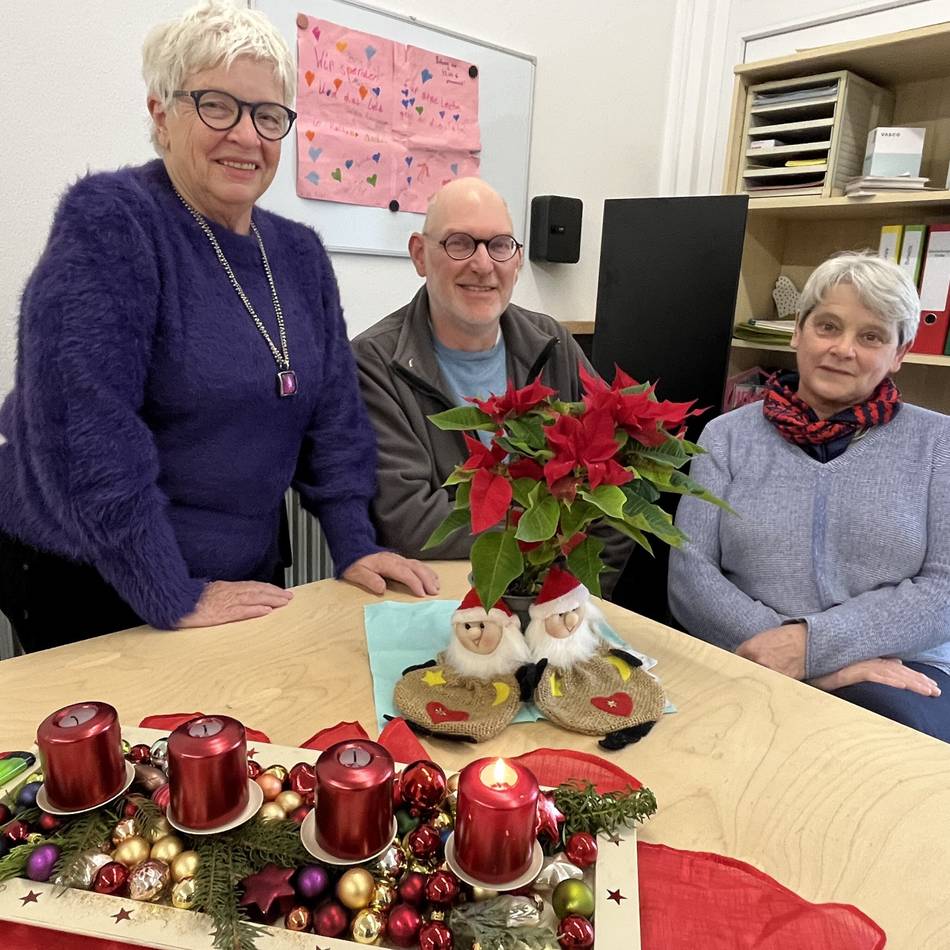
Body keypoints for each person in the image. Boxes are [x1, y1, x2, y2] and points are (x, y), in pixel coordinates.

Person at [0, 1, 437, 654]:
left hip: (240, 568)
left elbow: (334, 418)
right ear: (161, 115)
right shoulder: (112, 223)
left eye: (267, 115)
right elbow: (84, 429)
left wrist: (353, 543)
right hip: (96, 569)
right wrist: (169, 588)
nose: (246, 135)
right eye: (215, 105)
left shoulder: (300, 254)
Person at [668, 251, 950, 741]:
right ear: (797, 331)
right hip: (745, 652)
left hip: (900, 668)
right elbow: (690, 577)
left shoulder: (939, 445)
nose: (843, 349)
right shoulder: (725, 436)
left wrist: (809, 646)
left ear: (899, 353)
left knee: (865, 742)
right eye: (828, 326)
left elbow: (944, 590)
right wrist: (805, 661)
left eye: (871, 336)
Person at [352, 178, 628, 590]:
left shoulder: (553, 344)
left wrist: (566, 595)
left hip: (557, 606)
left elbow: (616, 487)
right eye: (459, 243)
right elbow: (412, 522)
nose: (483, 265)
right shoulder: (372, 363)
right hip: (436, 602)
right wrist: (554, 527)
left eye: (499, 245)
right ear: (420, 255)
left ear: (516, 260)